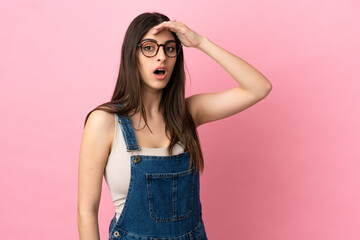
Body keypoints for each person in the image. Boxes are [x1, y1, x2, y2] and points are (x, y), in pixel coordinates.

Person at [77, 12, 272, 240]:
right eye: (149, 48)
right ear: (132, 55)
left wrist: (200, 42)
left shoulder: (188, 113)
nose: (161, 57)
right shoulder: (104, 121)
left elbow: (259, 87)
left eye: (169, 48)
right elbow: (86, 211)